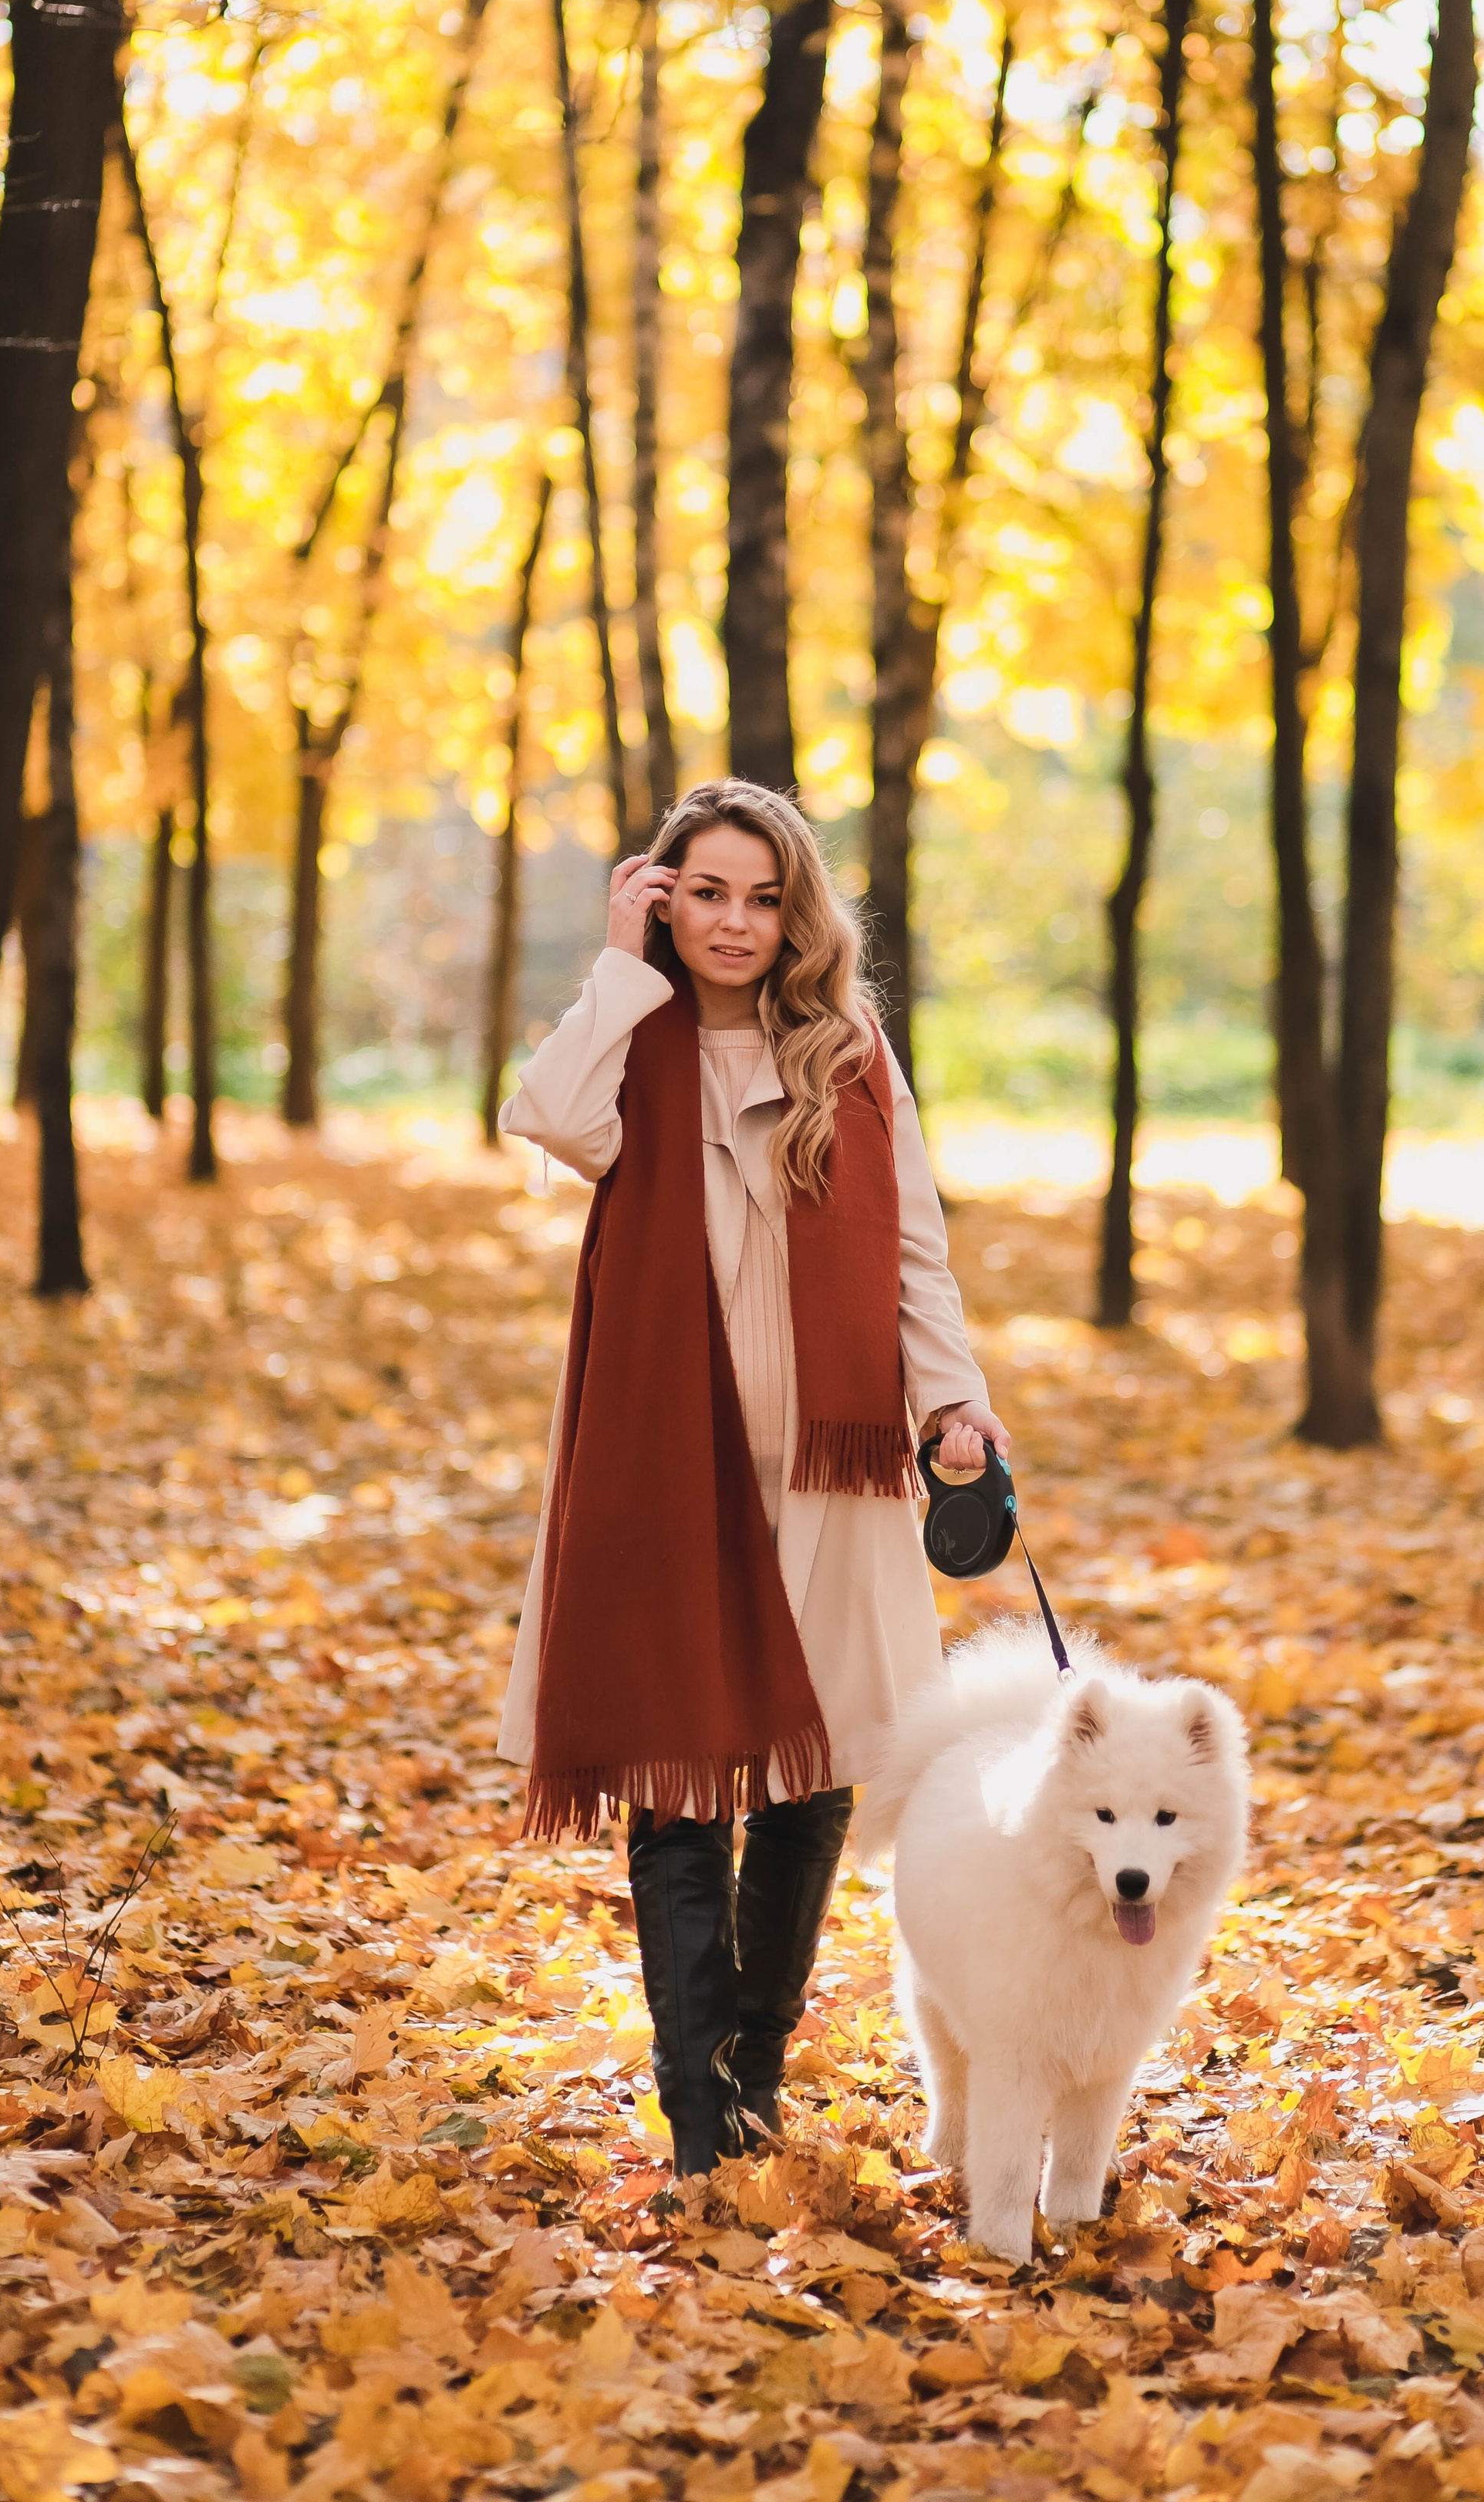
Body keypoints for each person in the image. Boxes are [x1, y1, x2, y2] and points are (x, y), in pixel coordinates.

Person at [496, 778, 1010, 2173]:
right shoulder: (630, 1042)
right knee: (679, 1774)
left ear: (799, 912)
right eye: (704, 893)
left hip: (832, 1470)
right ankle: (698, 2115)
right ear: (666, 899)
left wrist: (951, 1398)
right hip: (667, 1460)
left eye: (761, 896)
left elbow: (913, 1249)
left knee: (815, 1773)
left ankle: (757, 2073)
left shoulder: (848, 1052)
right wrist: (617, 963)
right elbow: (544, 1117)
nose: (734, 921)